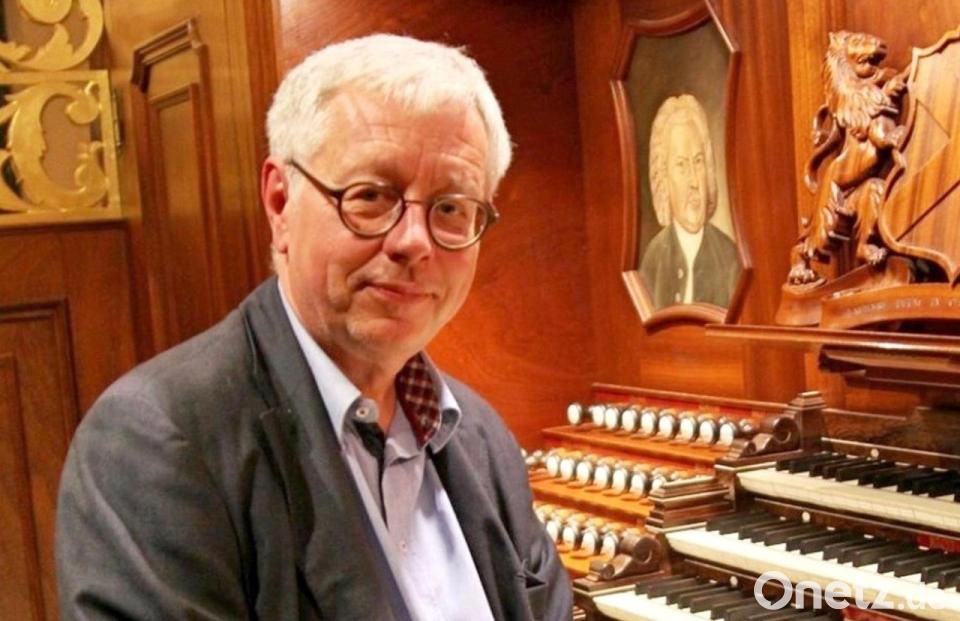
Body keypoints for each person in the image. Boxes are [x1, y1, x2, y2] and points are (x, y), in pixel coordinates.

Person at [55, 34, 571, 620]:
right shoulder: (156, 443)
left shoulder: (480, 437)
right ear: (280, 202)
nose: (414, 242)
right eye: (371, 196)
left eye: (451, 207)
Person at [640, 94, 739, 310]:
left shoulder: (729, 258)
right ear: (664, 177)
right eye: (681, 165)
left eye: (698, 161)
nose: (694, 181)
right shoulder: (653, 261)